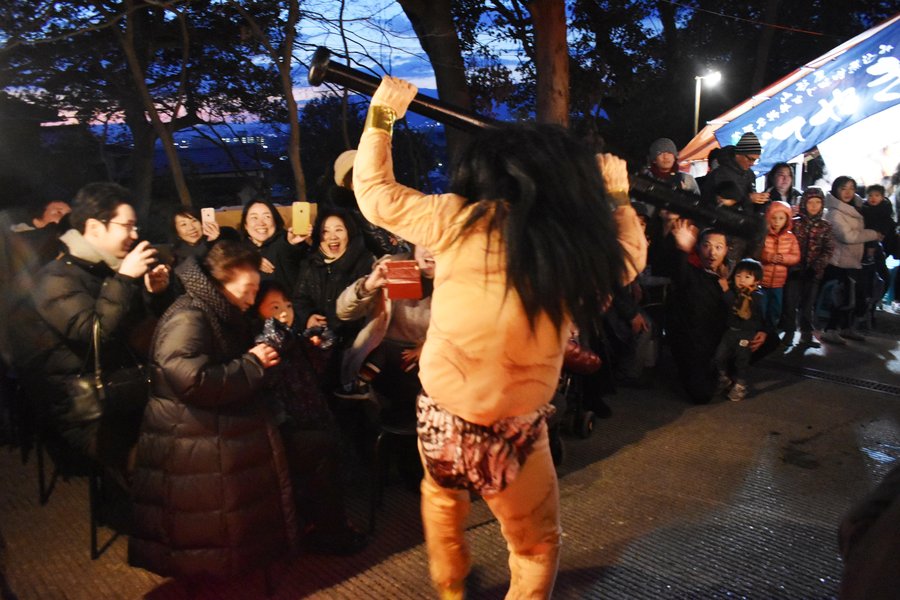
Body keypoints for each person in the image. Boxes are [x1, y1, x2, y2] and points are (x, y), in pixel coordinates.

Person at [352, 75, 646, 599]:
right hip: (515, 429)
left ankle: (449, 591)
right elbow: (629, 258)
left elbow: (375, 196)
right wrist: (618, 197)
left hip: (443, 416)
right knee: (534, 547)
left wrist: (381, 118)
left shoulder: (459, 218)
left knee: (442, 502)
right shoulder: (571, 246)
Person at [129, 241, 297, 578]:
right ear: (223, 278)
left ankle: (239, 559)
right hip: (190, 431)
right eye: (248, 290)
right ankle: (212, 570)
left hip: (206, 421)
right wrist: (252, 363)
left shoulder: (216, 309)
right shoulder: (190, 315)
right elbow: (191, 380)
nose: (252, 300)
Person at [10, 182, 171, 471]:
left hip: (123, 385)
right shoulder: (56, 277)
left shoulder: (104, 268)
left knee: (194, 426)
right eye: (128, 226)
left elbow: (139, 332)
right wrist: (124, 279)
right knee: (163, 458)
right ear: (96, 228)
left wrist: (154, 293)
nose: (135, 235)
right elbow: (95, 335)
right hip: (85, 407)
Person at [252, 281, 368, 555]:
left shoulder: (292, 336)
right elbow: (273, 354)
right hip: (289, 421)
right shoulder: (263, 341)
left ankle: (329, 523)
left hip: (312, 410)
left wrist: (318, 342)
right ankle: (326, 528)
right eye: (275, 307)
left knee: (330, 466)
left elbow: (317, 365)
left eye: (288, 306)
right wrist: (293, 337)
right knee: (312, 474)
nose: (284, 312)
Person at [335, 244, 435, 406]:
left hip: (430, 363)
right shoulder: (395, 266)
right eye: (423, 242)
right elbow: (343, 312)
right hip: (382, 352)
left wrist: (427, 347)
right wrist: (368, 286)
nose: (429, 249)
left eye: (436, 241)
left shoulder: (460, 278)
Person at [292, 206, 375, 391]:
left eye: (339, 229)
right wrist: (308, 317)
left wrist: (332, 324)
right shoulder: (311, 263)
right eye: (325, 231)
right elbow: (299, 298)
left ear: (349, 232)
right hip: (317, 344)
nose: (332, 236)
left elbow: (366, 306)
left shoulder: (363, 262)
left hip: (352, 344)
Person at [820, 177, 882, 344]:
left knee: (853, 296)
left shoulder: (857, 207)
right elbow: (848, 236)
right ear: (836, 190)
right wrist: (873, 234)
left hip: (853, 260)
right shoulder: (834, 212)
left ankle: (846, 327)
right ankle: (830, 329)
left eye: (851, 188)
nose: (848, 192)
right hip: (840, 262)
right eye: (843, 188)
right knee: (840, 296)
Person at [781, 187, 834, 348]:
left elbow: (828, 250)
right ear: (804, 203)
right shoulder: (795, 223)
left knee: (808, 305)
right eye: (811, 202)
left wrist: (816, 267)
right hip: (794, 272)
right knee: (790, 303)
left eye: (818, 202)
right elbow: (787, 246)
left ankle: (806, 334)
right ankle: (788, 333)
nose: (814, 206)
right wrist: (793, 266)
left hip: (813, 274)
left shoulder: (825, 226)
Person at [714, 258, 764, 402]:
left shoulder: (755, 296)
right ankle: (724, 379)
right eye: (738, 275)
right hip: (730, 331)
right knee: (719, 356)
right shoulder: (736, 291)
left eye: (747, 277)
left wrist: (725, 290)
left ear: (757, 281)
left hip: (746, 334)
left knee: (742, 361)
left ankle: (741, 386)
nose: (741, 280)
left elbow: (734, 306)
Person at [239, 199, 311, 292]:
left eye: (267, 216)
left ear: (275, 221)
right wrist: (248, 259)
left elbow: (290, 253)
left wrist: (291, 244)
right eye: (254, 218)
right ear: (245, 225)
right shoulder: (238, 250)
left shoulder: (285, 241)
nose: (261, 223)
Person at [700, 132, 769, 215]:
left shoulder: (750, 174)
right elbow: (719, 203)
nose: (752, 163)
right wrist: (748, 198)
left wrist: (761, 200)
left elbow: (750, 203)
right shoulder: (720, 174)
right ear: (738, 155)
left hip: (745, 222)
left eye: (755, 160)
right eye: (750, 159)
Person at [759, 201, 800, 332]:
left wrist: (783, 258)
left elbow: (795, 256)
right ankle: (760, 331)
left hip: (779, 283)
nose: (777, 221)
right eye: (774, 218)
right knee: (761, 307)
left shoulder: (790, 238)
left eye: (781, 218)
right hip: (762, 281)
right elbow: (756, 252)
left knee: (776, 308)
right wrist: (768, 257)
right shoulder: (763, 235)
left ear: (787, 219)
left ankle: (770, 332)